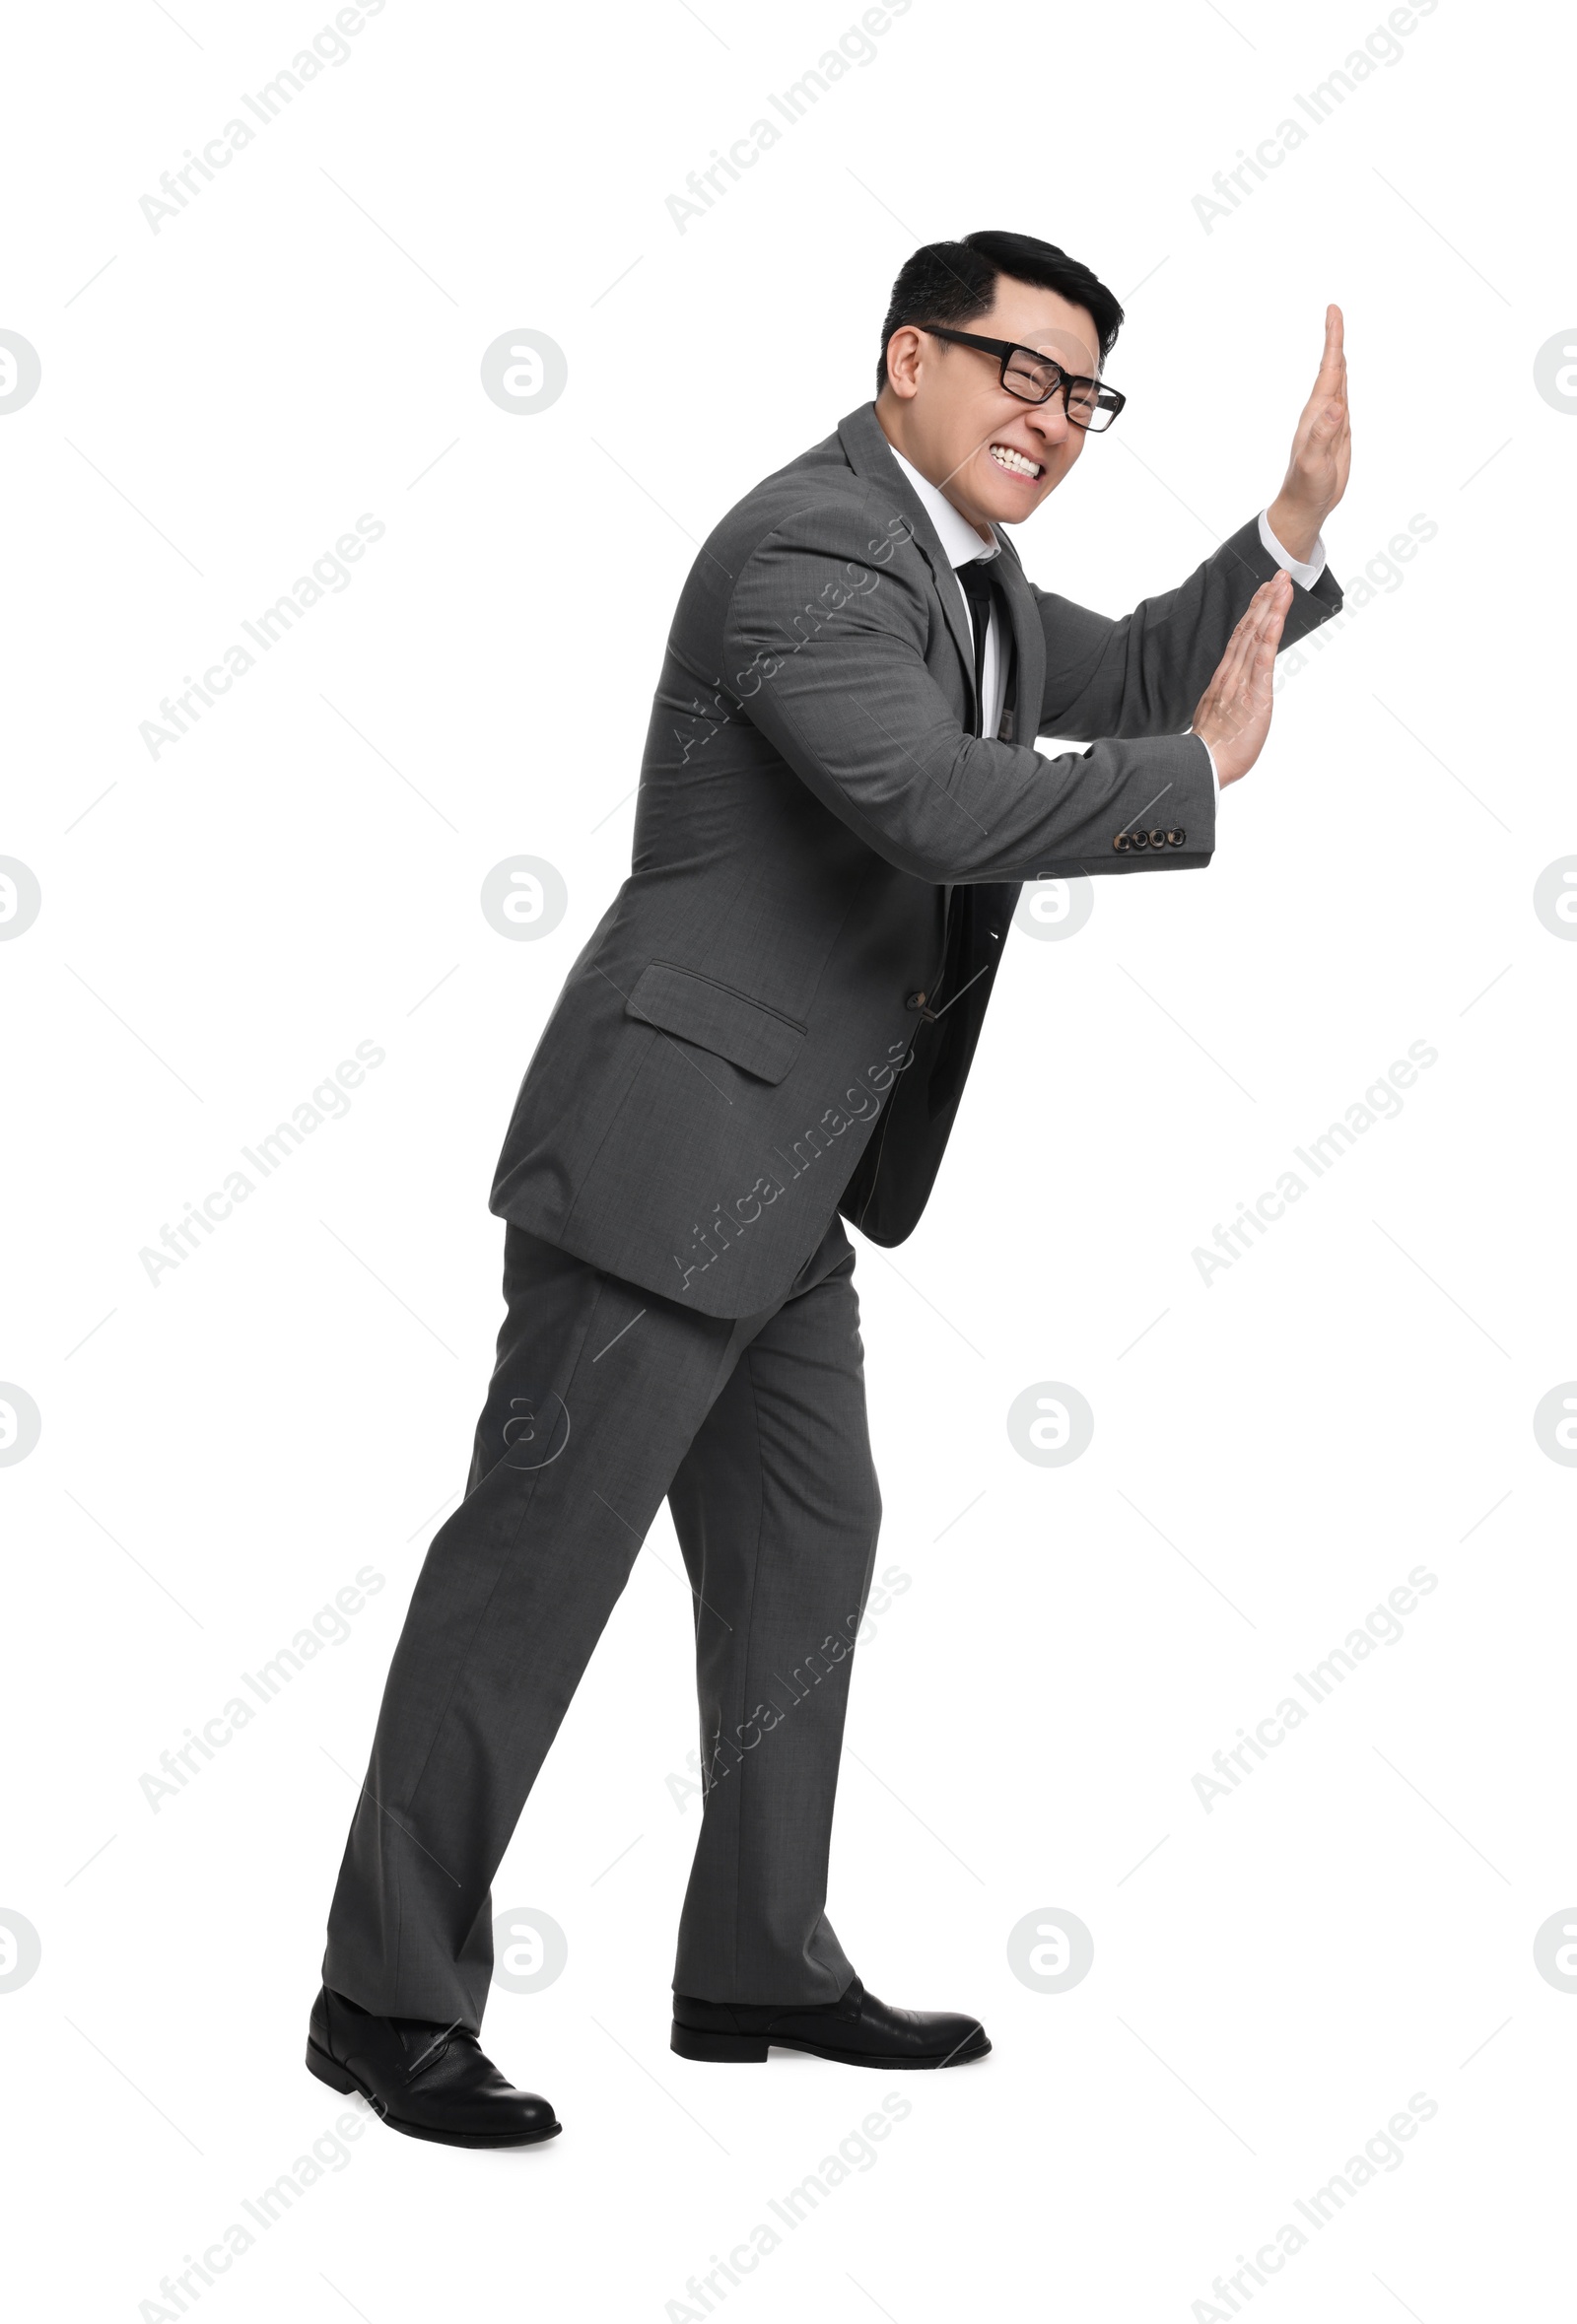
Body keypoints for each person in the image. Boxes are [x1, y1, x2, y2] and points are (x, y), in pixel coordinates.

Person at [307, 230, 1349, 2147]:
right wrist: (1191, 778)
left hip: (789, 1187)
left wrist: (1281, 540)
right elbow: (923, 803)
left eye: (1080, 393)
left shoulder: (972, 582)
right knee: (528, 1589)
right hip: (663, 1163)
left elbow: (1117, 666)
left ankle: (754, 1960)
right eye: (1013, 372)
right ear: (902, 364)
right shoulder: (807, 550)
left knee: (808, 1548)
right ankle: (382, 1998)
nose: (1048, 416)